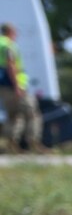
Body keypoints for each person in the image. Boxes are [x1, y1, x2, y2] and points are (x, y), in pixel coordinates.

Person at [0, 23, 39, 154]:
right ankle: (33, 143)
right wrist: (17, 86)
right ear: (10, 32)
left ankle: (10, 146)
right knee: (31, 113)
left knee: (13, 116)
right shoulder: (8, 45)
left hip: (3, 87)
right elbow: (11, 66)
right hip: (13, 86)